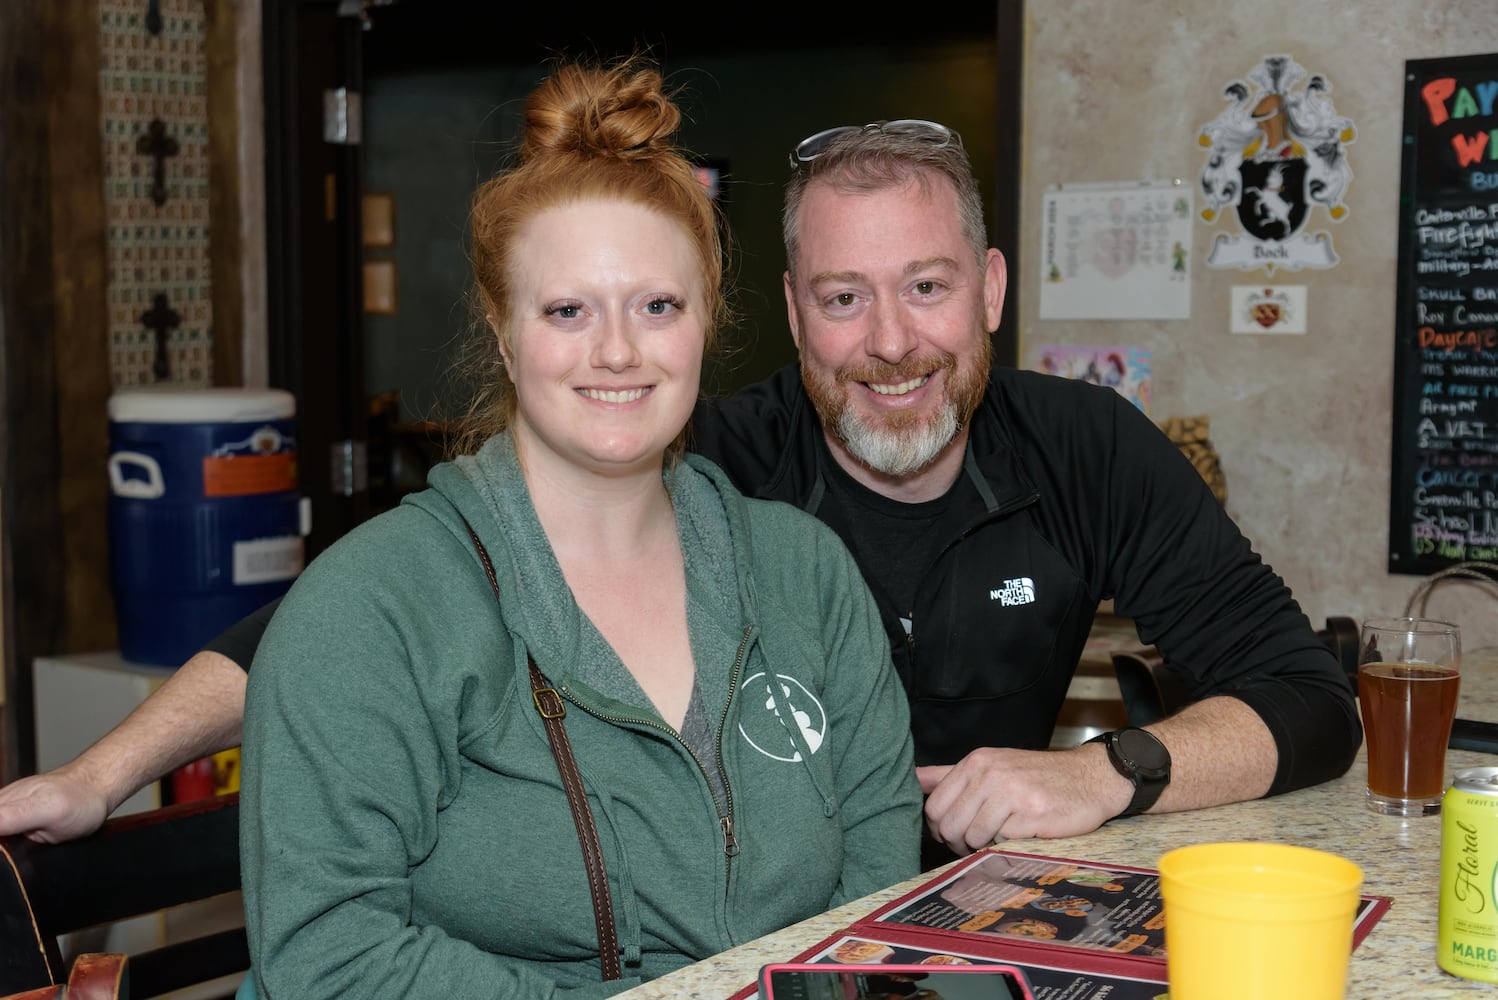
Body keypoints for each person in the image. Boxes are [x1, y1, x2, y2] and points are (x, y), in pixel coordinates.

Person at [0, 109, 1360, 863]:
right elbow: (347, 622)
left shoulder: (1085, 447)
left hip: (974, 916)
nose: (889, 341)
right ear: (785, 311)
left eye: (927, 288)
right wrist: (104, 772)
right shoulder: (703, 460)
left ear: (991, 292)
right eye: (843, 296)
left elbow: (1304, 699)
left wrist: (1106, 776)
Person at [232, 59, 919, 997]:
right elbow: (326, 953)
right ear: (503, 329)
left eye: (657, 306)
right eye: (567, 311)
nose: (617, 351)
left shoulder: (806, 574)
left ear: (707, 319)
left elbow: (877, 905)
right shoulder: (371, 608)